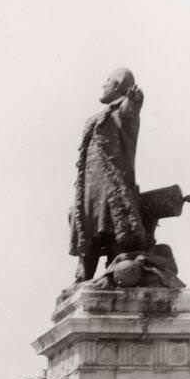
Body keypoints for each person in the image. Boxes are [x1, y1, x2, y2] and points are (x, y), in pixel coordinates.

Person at [68, 68, 148, 283]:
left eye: (107, 80)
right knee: (87, 230)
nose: (103, 85)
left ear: (118, 85)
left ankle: (114, 271)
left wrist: (134, 99)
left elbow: (131, 110)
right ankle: (84, 273)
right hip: (89, 190)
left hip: (113, 189)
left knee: (114, 229)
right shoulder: (95, 118)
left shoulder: (122, 111)